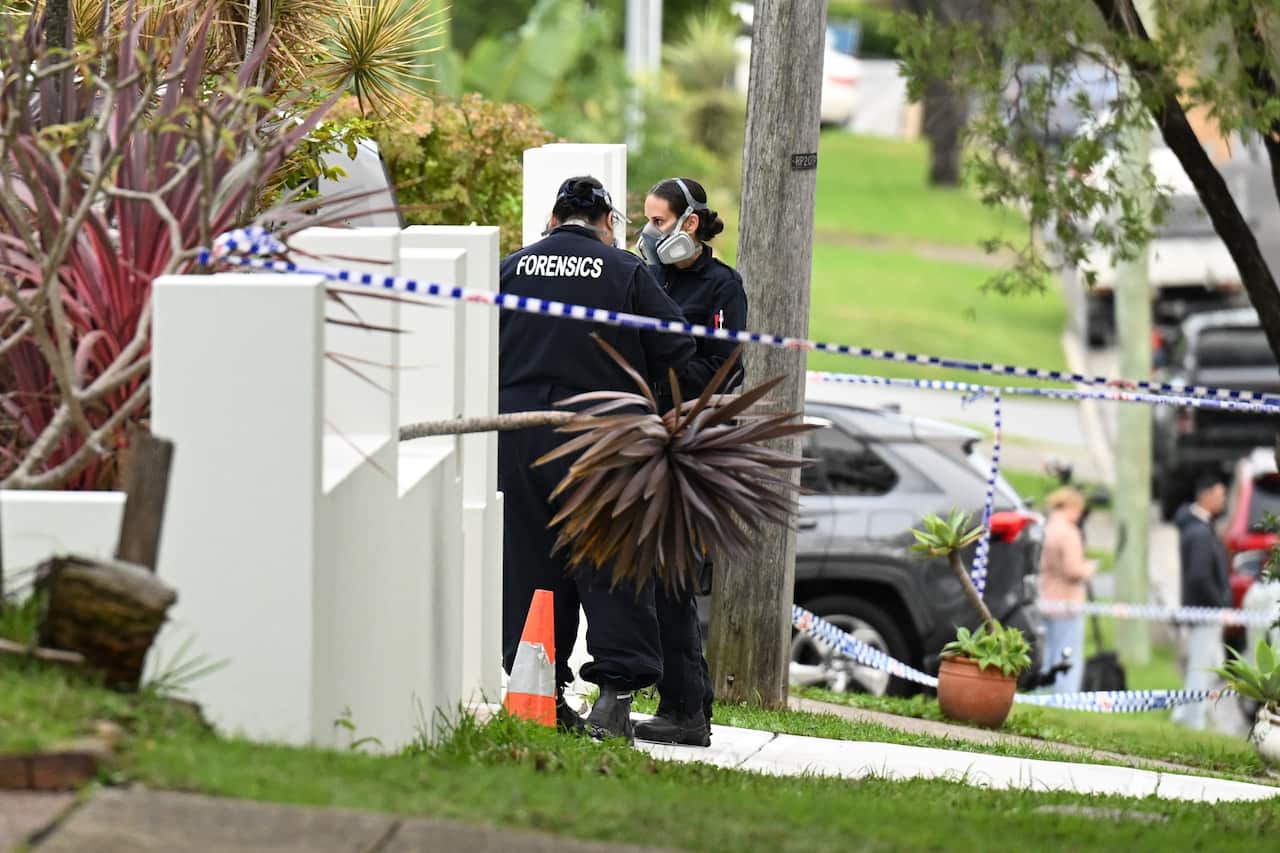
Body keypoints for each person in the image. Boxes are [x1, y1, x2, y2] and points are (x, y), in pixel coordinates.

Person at [498, 176, 695, 743]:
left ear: (553, 219)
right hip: (603, 442)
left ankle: (540, 689)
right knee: (610, 565)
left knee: (531, 565)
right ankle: (613, 699)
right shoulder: (626, 272)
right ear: (607, 220)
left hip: (521, 438)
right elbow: (677, 347)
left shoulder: (511, 270)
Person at [632, 178, 748, 747]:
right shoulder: (646, 275)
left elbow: (727, 369)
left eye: (658, 223)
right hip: (641, 435)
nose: (649, 233)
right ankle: (690, 702)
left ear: (690, 223)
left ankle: (685, 711)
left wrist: (663, 382)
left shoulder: (723, 287)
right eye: (648, 222)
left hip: (687, 446)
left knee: (671, 577)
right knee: (656, 580)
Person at [1171, 471, 1231, 730]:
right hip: (1205, 610)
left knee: (1214, 664)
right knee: (1201, 668)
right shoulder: (1200, 533)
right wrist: (1219, 604)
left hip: (1204, 610)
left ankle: (1185, 712)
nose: (1223, 500)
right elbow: (1199, 575)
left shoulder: (1200, 527)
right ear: (1205, 496)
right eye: (1219, 495)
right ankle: (1192, 718)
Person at [1037, 486, 1096, 693]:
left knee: (1046, 650)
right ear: (1071, 507)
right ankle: (1064, 695)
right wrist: (1089, 568)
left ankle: (1042, 689)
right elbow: (1073, 570)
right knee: (1067, 652)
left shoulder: (1044, 527)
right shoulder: (1069, 533)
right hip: (1067, 602)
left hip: (1045, 597)